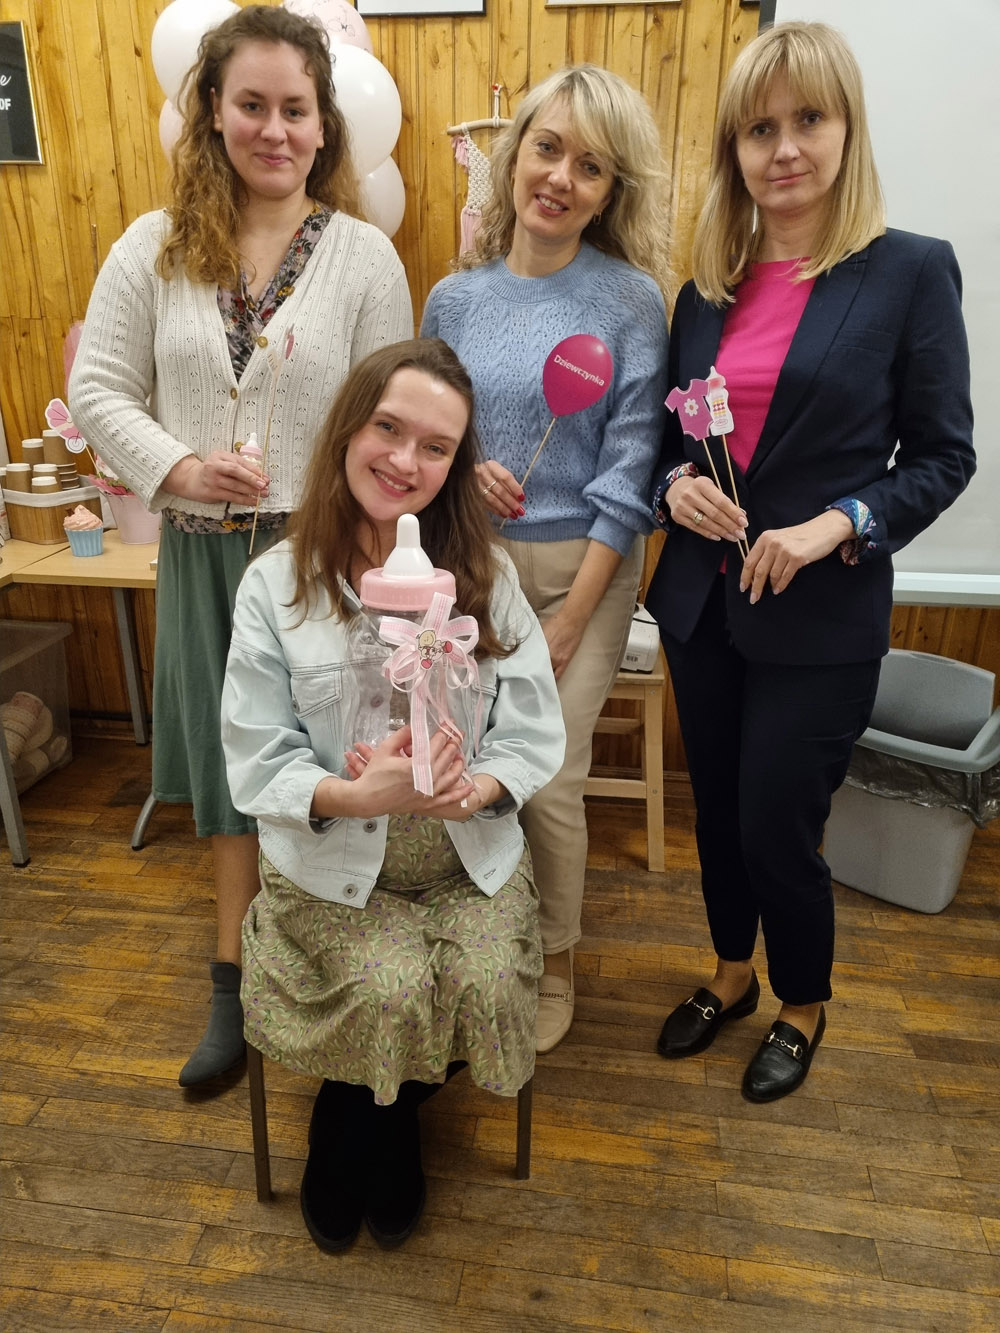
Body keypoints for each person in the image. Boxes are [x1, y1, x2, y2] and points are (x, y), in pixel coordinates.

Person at [69, 5, 413, 1087]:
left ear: (324, 125)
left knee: (323, 765)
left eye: (295, 109)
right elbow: (98, 388)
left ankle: (321, 963)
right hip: (204, 557)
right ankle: (233, 980)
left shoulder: (364, 257)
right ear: (213, 112)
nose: (275, 129)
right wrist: (178, 466)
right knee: (232, 780)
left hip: (320, 565)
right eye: (251, 104)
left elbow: (389, 420)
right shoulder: (152, 247)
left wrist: (364, 547)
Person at [646, 21, 975, 1102]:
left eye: (808, 120)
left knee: (776, 822)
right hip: (702, 603)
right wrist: (672, 487)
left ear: (847, 129)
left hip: (821, 614)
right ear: (734, 150)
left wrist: (839, 521)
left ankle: (802, 1001)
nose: (783, 148)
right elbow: (664, 443)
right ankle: (729, 973)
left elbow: (944, 456)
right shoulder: (705, 288)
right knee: (717, 811)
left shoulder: (909, 272)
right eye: (758, 129)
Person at [219, 337, 565, 1251]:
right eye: (388, 428)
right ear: (348, 428)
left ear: (455, 464)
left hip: (464, 862)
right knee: (391, 979)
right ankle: (356, 1120)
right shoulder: (276, 588)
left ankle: (378, 1112)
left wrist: (482, 785)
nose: (406, 460)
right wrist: (347, 792)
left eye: (436, 446)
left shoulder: (488, 580)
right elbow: (254, 756)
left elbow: (534, 731)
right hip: (332, 874)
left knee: (482, 972)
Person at [421, 65, 671, 1054]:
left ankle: (554, 955)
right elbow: (426, 432)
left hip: (586, 571)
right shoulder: (452, 298)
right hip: (474, 566)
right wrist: (464, 465)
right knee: (470, 762)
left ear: (610, 193)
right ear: (514, 153)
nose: (561, 177)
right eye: (548, 148)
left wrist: (570, 619)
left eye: (591, 167)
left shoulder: (630, 301)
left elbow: (630, 471)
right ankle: (486, 935)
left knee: (551, 775)